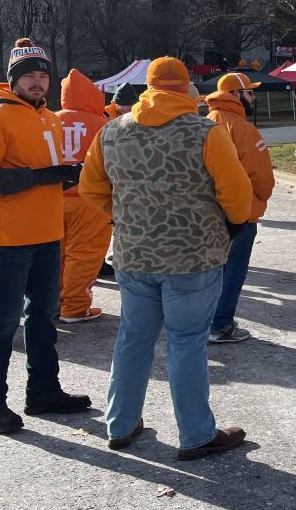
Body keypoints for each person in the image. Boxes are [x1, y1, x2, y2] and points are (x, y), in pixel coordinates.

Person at [78, 56, 252, 460]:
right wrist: (233, 224)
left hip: (134, 255)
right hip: (194, 257)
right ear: (186, 87)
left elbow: (91, 190)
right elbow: (237, 196)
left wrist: (124, 217)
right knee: (186, 343)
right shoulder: (206, 132)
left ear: (148, 86)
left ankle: (120, 423)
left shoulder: (111, 132)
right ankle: (195, 434)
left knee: (133, 339)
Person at [0, 39, 89, 434]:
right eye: (29, 77)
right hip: (10, 236)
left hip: (48, 232)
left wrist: (67, 172)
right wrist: (40, 177)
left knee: (44, 315)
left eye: (43, 76)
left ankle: (43, 391)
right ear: (14, 81)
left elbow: (43, 169)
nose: (38, 83)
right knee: (3, 320)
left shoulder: (50, 118)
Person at [205, 72, 275, 345]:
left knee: (212, 269)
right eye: (249, 92)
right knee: (234, 268)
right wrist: (261, 198)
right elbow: (263, 178)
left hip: (208, 212)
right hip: (241, 212)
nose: (253, 97)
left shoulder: (205, 122)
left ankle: (208, 320)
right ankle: (220, 325)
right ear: (235, 95)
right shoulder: (244, 130)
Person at [56, 69, 112, 323]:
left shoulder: (48, 119)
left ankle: (52, 302)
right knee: (84, 254)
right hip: (91, 201)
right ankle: (75, 306)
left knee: (54, 254)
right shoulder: (103, 124)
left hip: (50, 198)